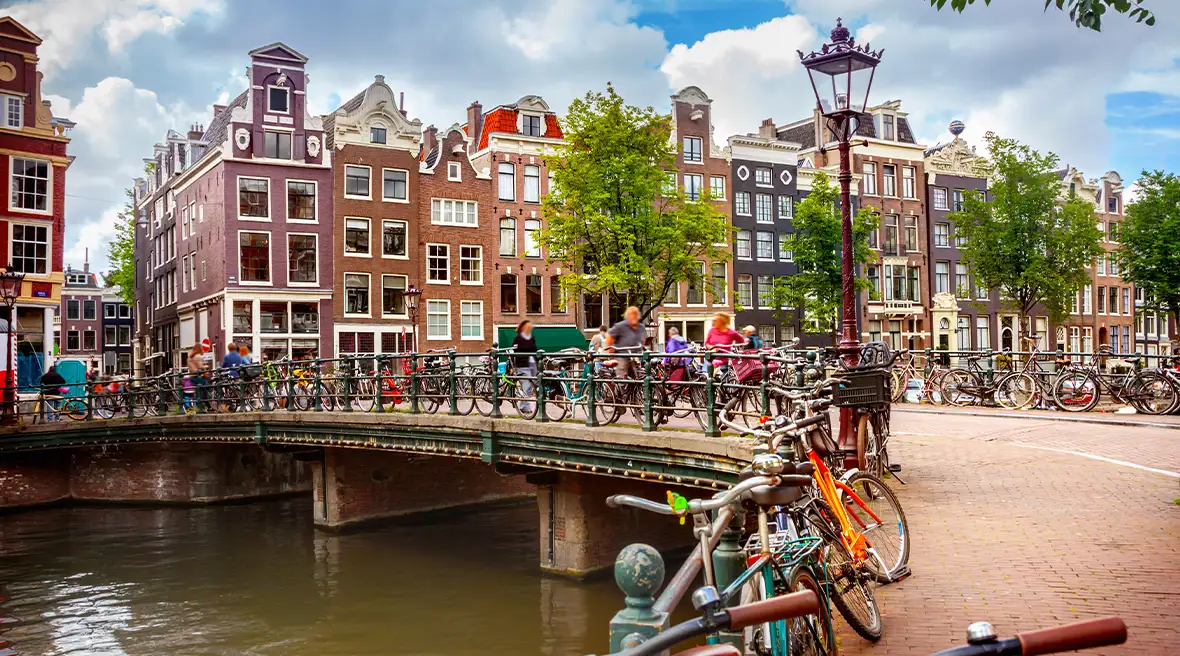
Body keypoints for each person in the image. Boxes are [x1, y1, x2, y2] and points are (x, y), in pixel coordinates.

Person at [606, 306, 646, 378]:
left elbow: (644, 337)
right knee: (623, 377)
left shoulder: (641, 327)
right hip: (622, 356)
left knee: (639, 376)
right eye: (632, 314)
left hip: (636, 356)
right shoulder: (620, 326)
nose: (634, 316)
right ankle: (621, 386)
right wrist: (611, 351)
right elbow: (609, 335)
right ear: (627, 316)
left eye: (636, 314)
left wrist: (642, 346)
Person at [511, 320, 538, 414]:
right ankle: (524, 406)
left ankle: (538, 404)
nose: (529, 329)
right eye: (528, 327)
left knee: (536, 384)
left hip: (532, 364)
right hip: (522, 365)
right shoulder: (518, 339)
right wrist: (513, 366)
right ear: (523, 328)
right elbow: (513, 352)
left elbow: (535, 350)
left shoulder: (531, 338)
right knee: (527, 385)